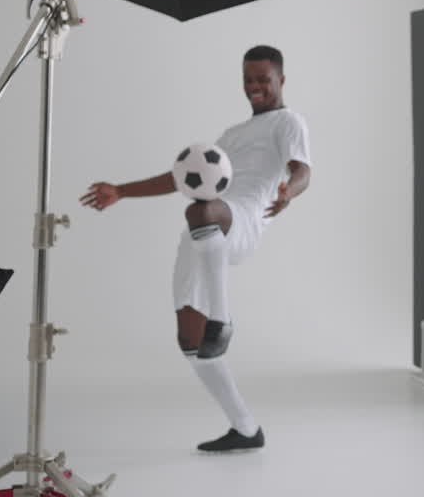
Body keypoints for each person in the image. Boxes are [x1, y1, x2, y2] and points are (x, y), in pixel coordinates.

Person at [80, 45, 311, 454]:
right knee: (192, 343)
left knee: (202, 211)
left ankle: (223, 318)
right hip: (201, 235)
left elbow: (302, 170)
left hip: (238, 220)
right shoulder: (231, 135)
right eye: (248, 79)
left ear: (281, 80)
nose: (254, 87)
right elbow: (182, 178)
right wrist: (121, 191)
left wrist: (288, 192)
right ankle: (245, 428)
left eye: (263, 79)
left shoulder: (288, 122)